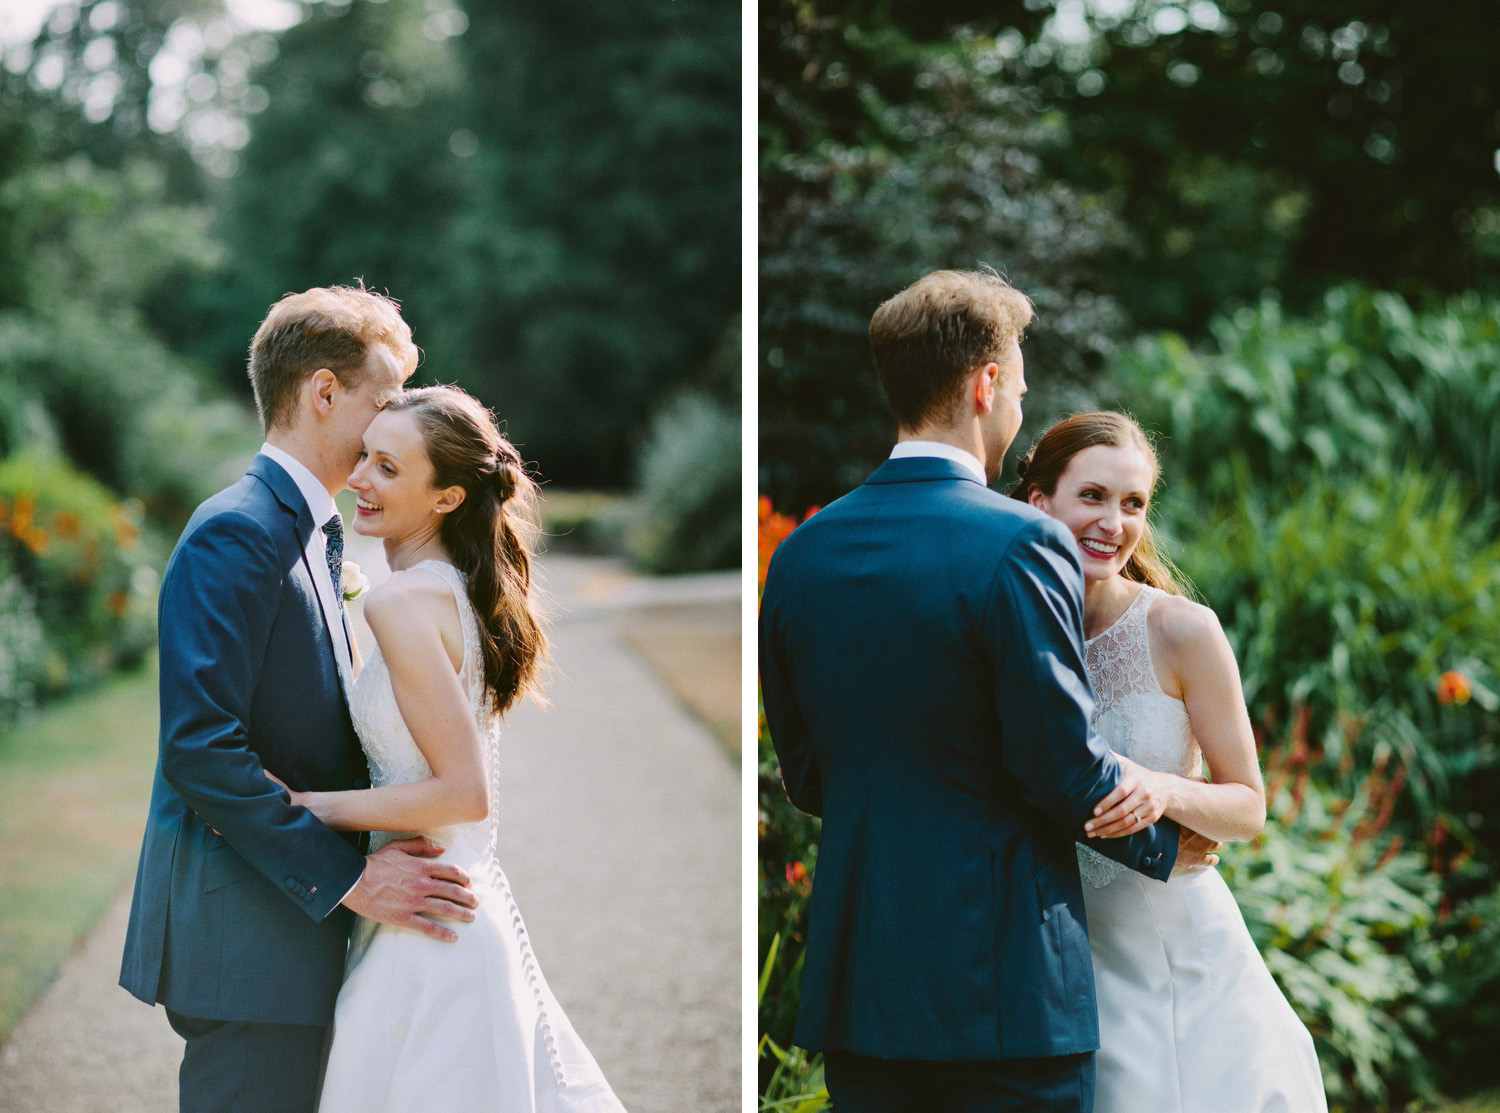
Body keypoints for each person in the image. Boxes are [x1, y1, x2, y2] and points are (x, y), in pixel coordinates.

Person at [758, 269, 1218, 1113]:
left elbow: (807, 774)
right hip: (1005, 987)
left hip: (864, 982)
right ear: (985, 383)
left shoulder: (801, 555)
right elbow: (1060, 765)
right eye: (1019, 387)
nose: (1017, 410)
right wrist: (1168, 838)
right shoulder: (1022, 542)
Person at [120, 285, 481, 1113]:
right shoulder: (237, 531)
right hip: (246, 943)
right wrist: (350, 882)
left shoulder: (313, 534)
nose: (395, 422)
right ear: (324, 393)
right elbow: (200, 748)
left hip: (291, 936)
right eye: (383, 400)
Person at [265, 385, 627, 1113]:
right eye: (366, 455)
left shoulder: (400, 603)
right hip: (446, 901)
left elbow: (464, 790)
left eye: (389, 468)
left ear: (448, 497)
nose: (360, 478)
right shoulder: (456, 591)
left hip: (430, 929)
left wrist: (307, 806)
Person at [1013, 411, 1327, 1112]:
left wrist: (1160, 788)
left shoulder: (1183, 630)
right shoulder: (1014, 634)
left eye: (1133, 503)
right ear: (1041, 502)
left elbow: (1248, 805)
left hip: (1182, 958)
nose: (1113, 522)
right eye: (1091, 495)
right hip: (1073, 966)